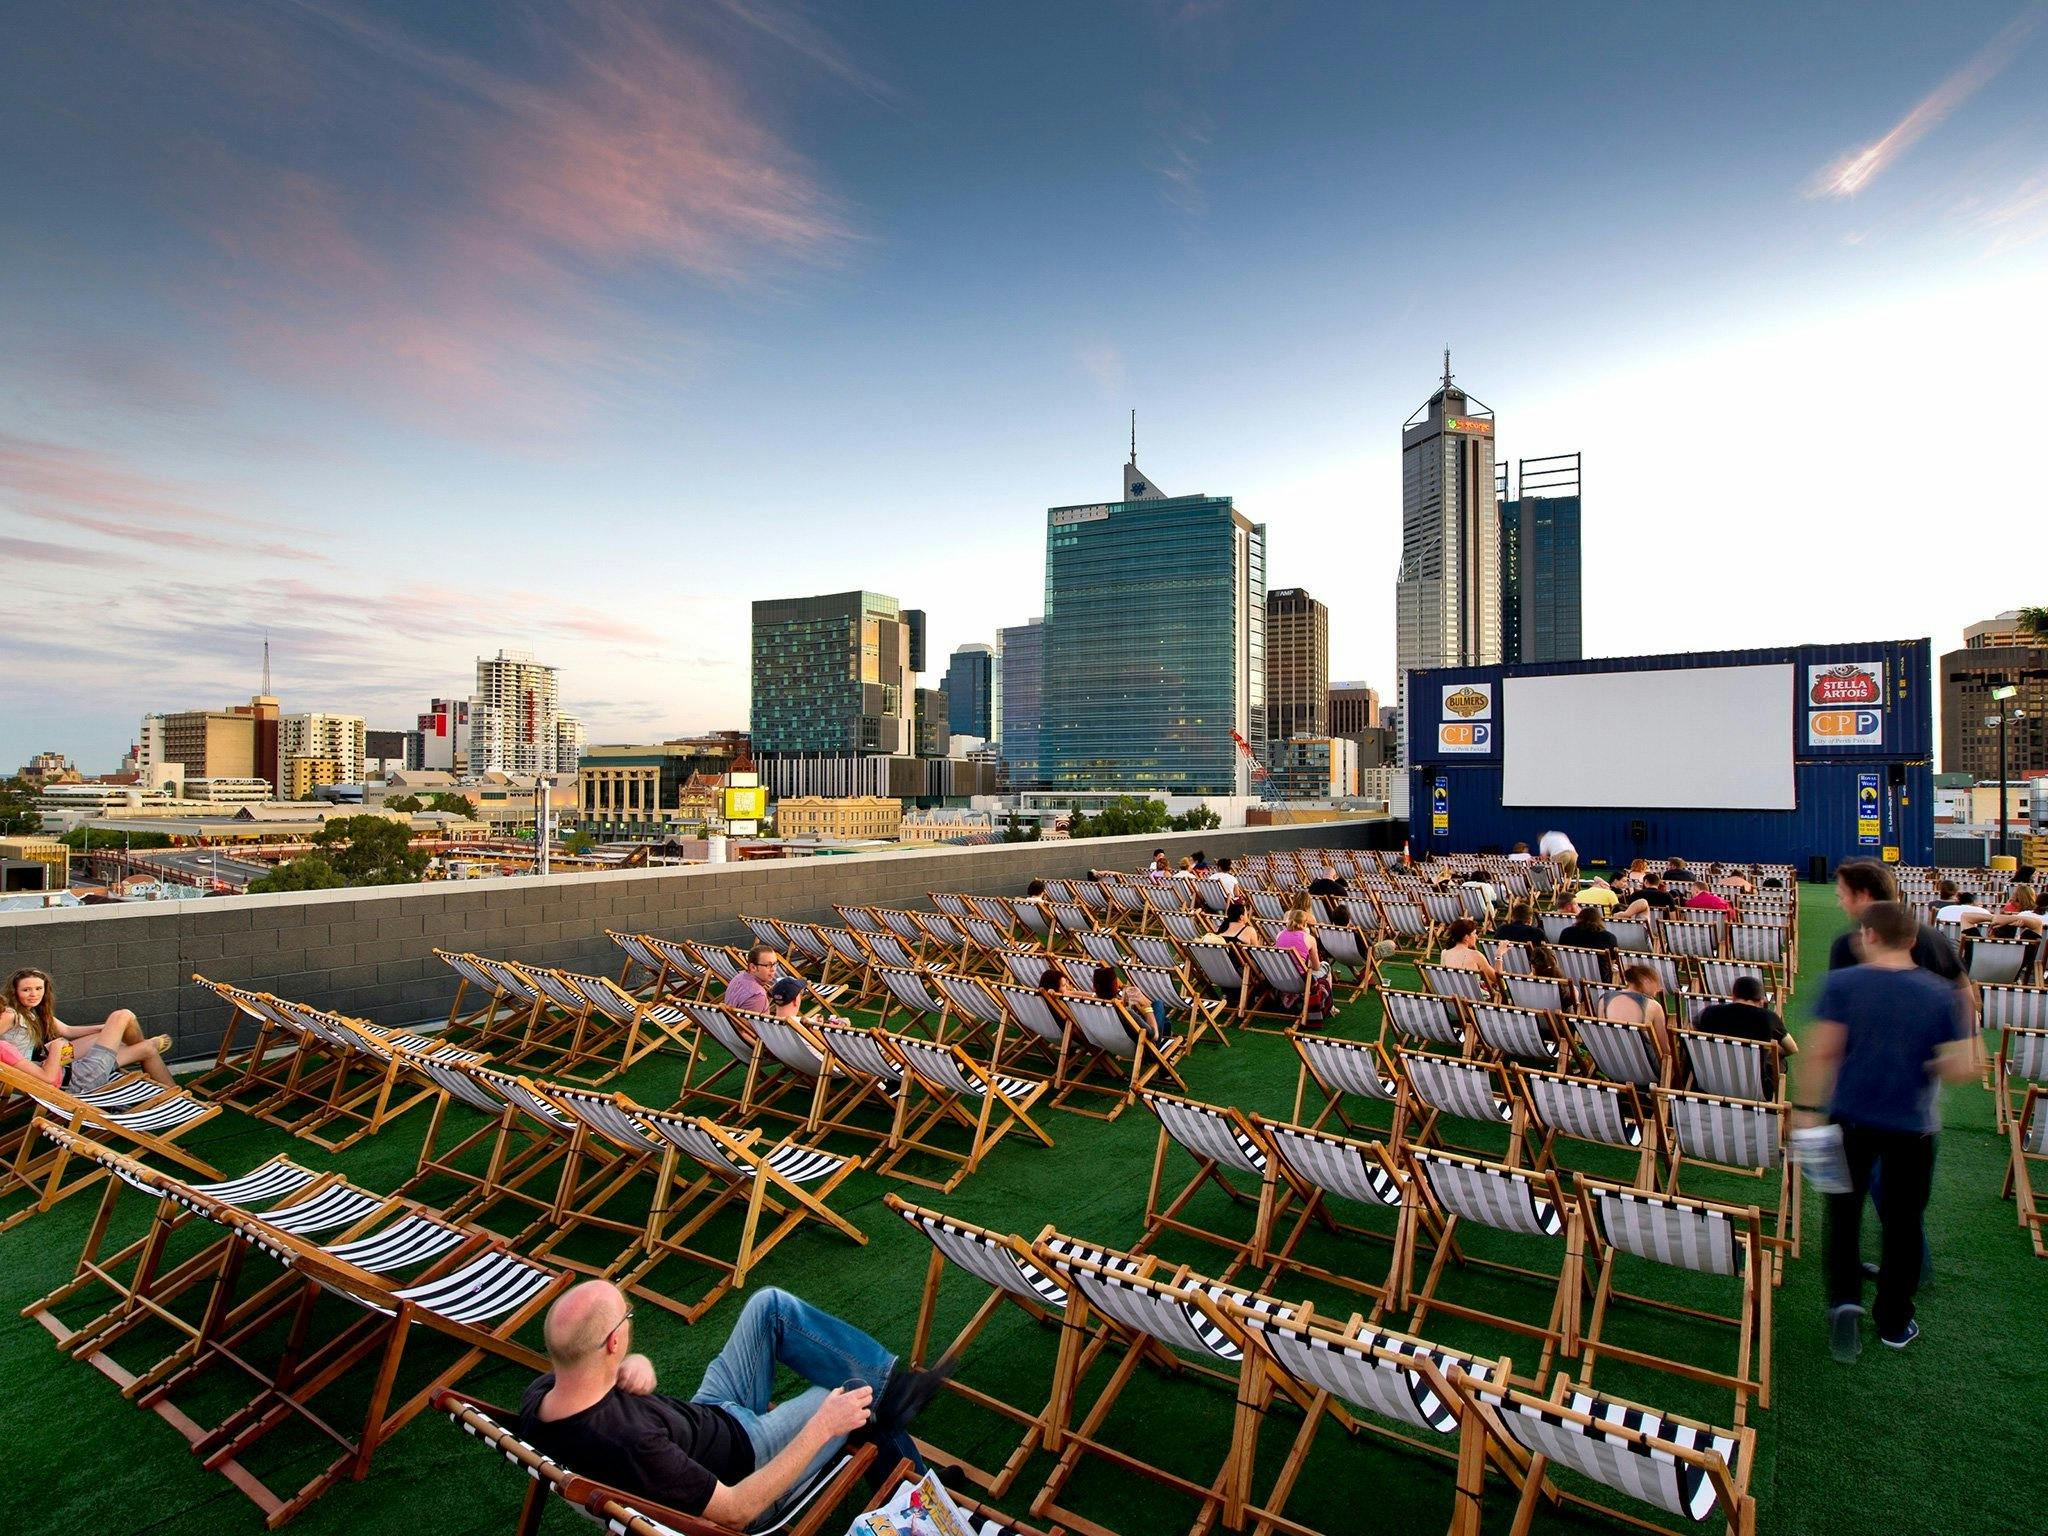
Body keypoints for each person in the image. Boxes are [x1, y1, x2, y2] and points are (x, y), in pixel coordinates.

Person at [520, 1281, 951, 1528]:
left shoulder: (544, 1397)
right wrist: (823, 1426)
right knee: (852, 1396)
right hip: (747, 1459)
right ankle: (925, 1497)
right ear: (613, 1340)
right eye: (627, 1319)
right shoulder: (631, 1444)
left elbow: (594, 1380)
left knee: (770, 1307)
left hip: (708, 1417)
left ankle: (894, 1398)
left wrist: (629, 1366)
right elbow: (737, 1512)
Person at [1799, 902, 1975, 1360]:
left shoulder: (1842, 983)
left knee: (1843, 1217)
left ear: (1867, 936)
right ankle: (1894, 1321)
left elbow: (1822, 1054)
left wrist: (1804, 1113)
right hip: (1912, 1127)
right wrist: (1921, 1061)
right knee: (1901, 1226)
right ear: (1913, 941)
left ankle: (1843, 1303)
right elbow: (1962, 1067)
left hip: (1848, 1121)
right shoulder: (1939, 993)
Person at [1, 968, 175, 1091]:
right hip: (52, 1068)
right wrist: (54, 1050)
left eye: (38, 989)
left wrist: (104, 1028)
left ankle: (173, 1096)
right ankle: (141, 1044)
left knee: (121, 1039)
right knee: (123, 1016)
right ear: (15, 992)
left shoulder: (33, 1013)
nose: (33, 994)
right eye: (26, 990)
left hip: (58, 1065)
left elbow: (68, 1030)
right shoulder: (11, 1015)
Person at [1692, 976, 1794, 1093]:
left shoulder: (1709, 1012)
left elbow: (1693, 1030)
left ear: (1733, 995)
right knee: (1780, 1061)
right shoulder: (1768, 1018)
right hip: (1756, 1089)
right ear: (1761, 1000)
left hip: (1711, 1081)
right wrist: (1772, 1051)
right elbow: (1792, 1048)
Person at [1274, 900, 1334, 1023]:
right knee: (1326, 966)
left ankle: (1291, 997)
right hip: (1300, 981)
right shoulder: (1309, 939)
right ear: (1305, 923)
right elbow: (1316, 967)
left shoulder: (1279, 935)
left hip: (1279, 978)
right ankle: (1328, 1006)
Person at [1602, 963, 1671, 1057]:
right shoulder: (1653, 1006)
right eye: (1657, 983)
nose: (1658, 989)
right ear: (1646, 981)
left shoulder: (1603, 999)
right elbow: (1665, 1049)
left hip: (1609, 1060)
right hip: (1644, 1067)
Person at [1093, 964, 1169, 1043]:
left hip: (1112, 1044)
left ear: (1094, 987)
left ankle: (1167, 1031)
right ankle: (1165, 1038)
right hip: (1142, 1048)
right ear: (1116, 985)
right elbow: (1154, 1036)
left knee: (1165, 1021)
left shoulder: (1093, 1006)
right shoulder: (1125, 1012)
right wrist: (1146, 1006)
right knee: (1158, 1004)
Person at [1437, 918, 1498, 987]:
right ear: (1466, 937)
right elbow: (1496, 979)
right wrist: (1499, 956)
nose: (1476, 936)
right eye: (1474, 933)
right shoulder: (1476, 956)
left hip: (1452, 995)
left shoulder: (1444, 953)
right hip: (1473, 996)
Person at [1563, 906, 1620, 978]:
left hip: (1569, 976)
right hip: (1601, 980)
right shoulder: (1608, 937)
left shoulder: (1566, 933)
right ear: (1599, 920)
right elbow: (1612, 961)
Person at [724, 947, 778, 1013]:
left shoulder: (738, 977)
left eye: (775, 964)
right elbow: (754, 1023)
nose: (773, 969)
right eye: (768, 965)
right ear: (753, 967)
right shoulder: (757, 996)